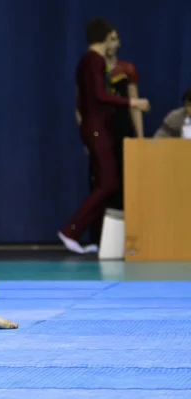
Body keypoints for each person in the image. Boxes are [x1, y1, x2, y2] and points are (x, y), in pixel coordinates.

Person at [60, 18, 150, 254]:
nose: (116, 44)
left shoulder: (88, 62)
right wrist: (133, 102)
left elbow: (84, 100)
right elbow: (99, 95)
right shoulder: (94, 60)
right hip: (97, 126)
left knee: (106, 182)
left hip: (94, 127)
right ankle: (71, 229)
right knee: (108, 182)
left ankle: (75, 231)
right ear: (105, 37)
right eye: (113, 38)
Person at [77, 27, 145, 242]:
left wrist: (140, 138)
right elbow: (82, 106)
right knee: (102, 183)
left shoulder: (126, 69)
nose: (115, 44)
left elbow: (134, 105)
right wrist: (88, 137)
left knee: (120, 185)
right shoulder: (92, 67)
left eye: (116, 39)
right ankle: (100, 240)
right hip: (102, 134)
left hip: (122, 132)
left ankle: (123, 240)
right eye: (112, 39)